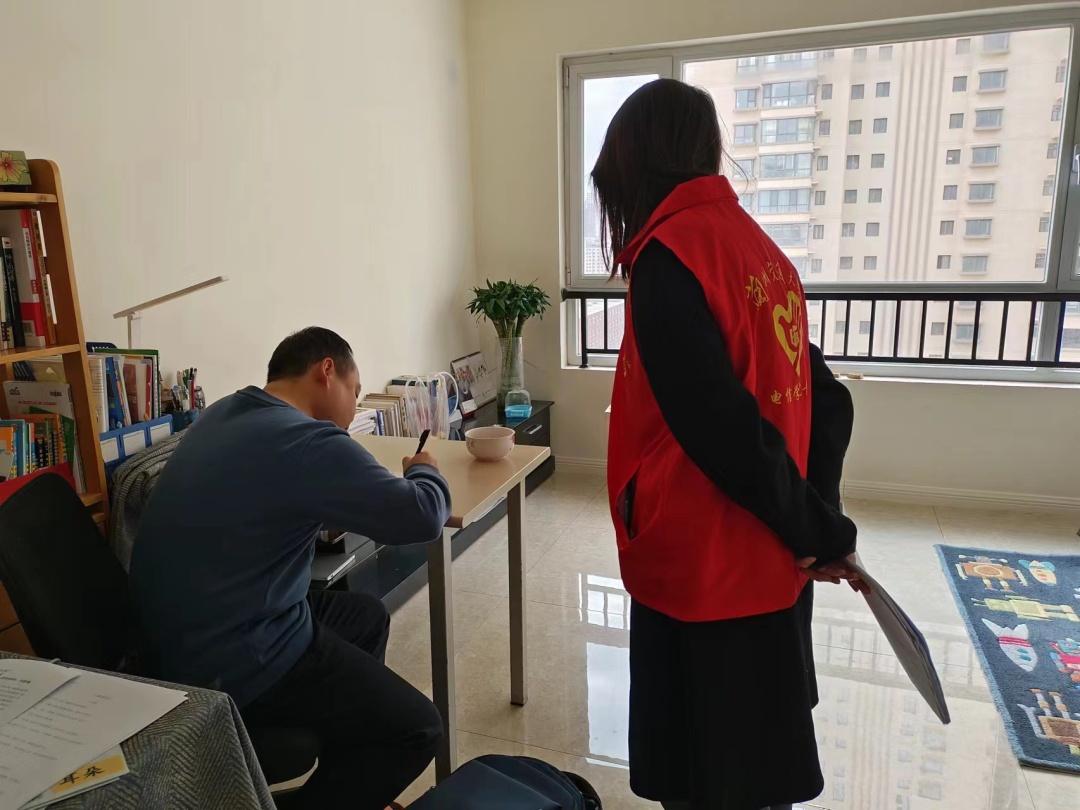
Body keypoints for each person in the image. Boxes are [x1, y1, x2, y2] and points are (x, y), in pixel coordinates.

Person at [596, 79, 863, 810]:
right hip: (769, 558)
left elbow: (722, 430)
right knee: (755, 772)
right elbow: (827, 401)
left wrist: (817, 528)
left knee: (705, 777)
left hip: (700, 568)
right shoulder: (760, 250)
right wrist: (814, 525)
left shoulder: (669, 259)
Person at [130, 327, 450, 810]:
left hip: (179, 636)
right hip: (237, 656)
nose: (354, 407)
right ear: (327, 371)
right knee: (418, 728)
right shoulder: (307, 441)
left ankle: (354, 778)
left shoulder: (225, 411)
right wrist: (425, 469)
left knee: (366, 616)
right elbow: (423, 516)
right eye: (355, 391)